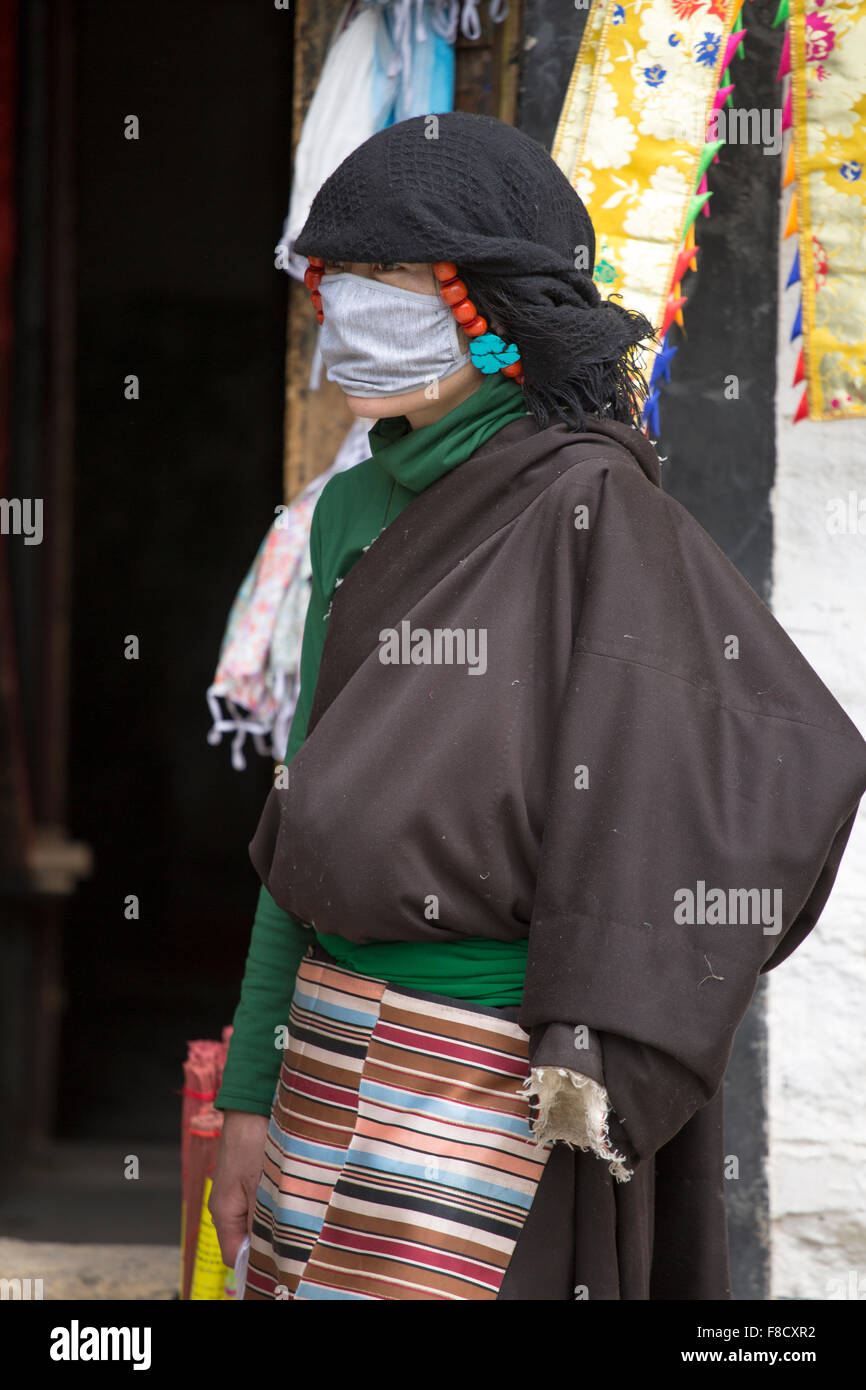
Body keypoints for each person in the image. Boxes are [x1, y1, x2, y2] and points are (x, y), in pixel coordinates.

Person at [210, 110, 866, 1300]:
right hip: (320, 1045)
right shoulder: (348, 513)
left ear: (490, 310)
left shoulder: (593, 511)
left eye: (387, 278)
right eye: (335, 275)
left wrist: (604, 1018)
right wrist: (250, 1093)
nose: (348, 305)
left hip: (489, 1074)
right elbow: (304, 817)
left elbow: (775, 753)